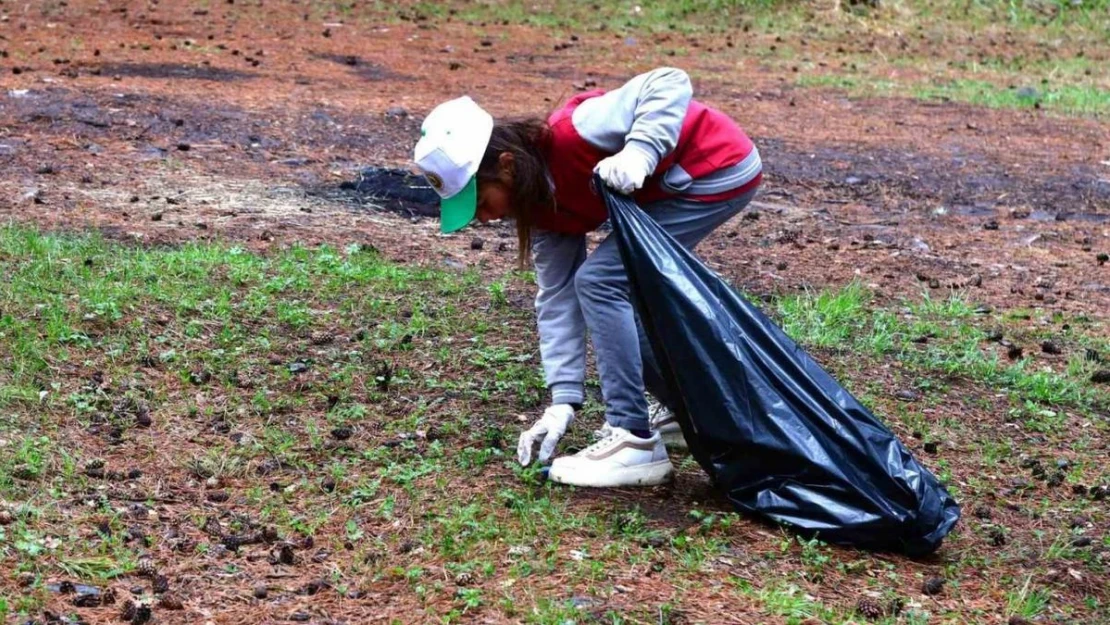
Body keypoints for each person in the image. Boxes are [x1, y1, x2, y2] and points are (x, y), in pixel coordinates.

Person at [412, 67, 761, 488]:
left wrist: (641, 152)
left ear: (506, 165)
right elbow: (558, 297)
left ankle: (632, 439)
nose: (483, 218)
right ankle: (677, 409)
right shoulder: (541, 212)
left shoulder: (575, 132)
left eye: (481, 202)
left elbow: (668, 81)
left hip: (716, 167)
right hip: (678, 186)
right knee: (612, 292)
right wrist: (563, 400)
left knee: (601, 281)